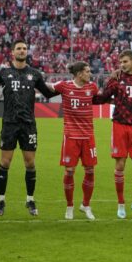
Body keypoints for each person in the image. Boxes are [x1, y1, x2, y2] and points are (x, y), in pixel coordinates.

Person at [0, 40, 56, 217]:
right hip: (9, 123)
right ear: (12, 52)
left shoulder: (35, 74)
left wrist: (68, 85)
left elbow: (48, 93)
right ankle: (1, 200)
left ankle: (30, 199)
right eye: (18, 48)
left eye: (24, 48)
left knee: (30, 163)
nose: (22, 51)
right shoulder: (4, 72)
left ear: (27, 52)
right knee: (5, 162)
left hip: (28, 124)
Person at [97, 49, 132, 219]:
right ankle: (120, 204)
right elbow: (103, 97)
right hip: (119, 125)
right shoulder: (116, 79)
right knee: (120, 165)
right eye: (120, 62)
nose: (122, 65)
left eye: (125, 62)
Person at [51, 62, 100, 220]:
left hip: (88, 136)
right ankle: (70, 206)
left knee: (90, 170)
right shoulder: (64, 86)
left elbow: (101, 98)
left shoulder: (92, 88)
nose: (89, 73)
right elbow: (47, 86)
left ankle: (86, 205)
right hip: (71, 136)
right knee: (70, 171)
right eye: (87, 71)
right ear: (79, 73)